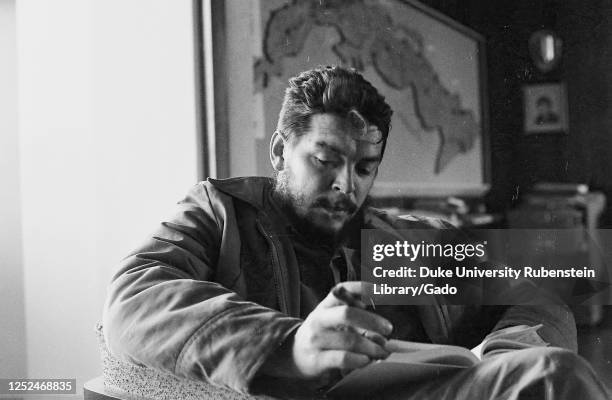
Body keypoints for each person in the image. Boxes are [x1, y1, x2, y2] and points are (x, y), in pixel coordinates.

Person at [103, 66, 608, 399]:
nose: (346, 184)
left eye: (365, 167)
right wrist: (292, 346)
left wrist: (505, 351)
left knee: (546, 374)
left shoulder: (404, 243)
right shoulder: (223, 214)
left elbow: (536, 290)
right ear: (280, 152)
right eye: (325, 161)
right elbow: (135, 298)